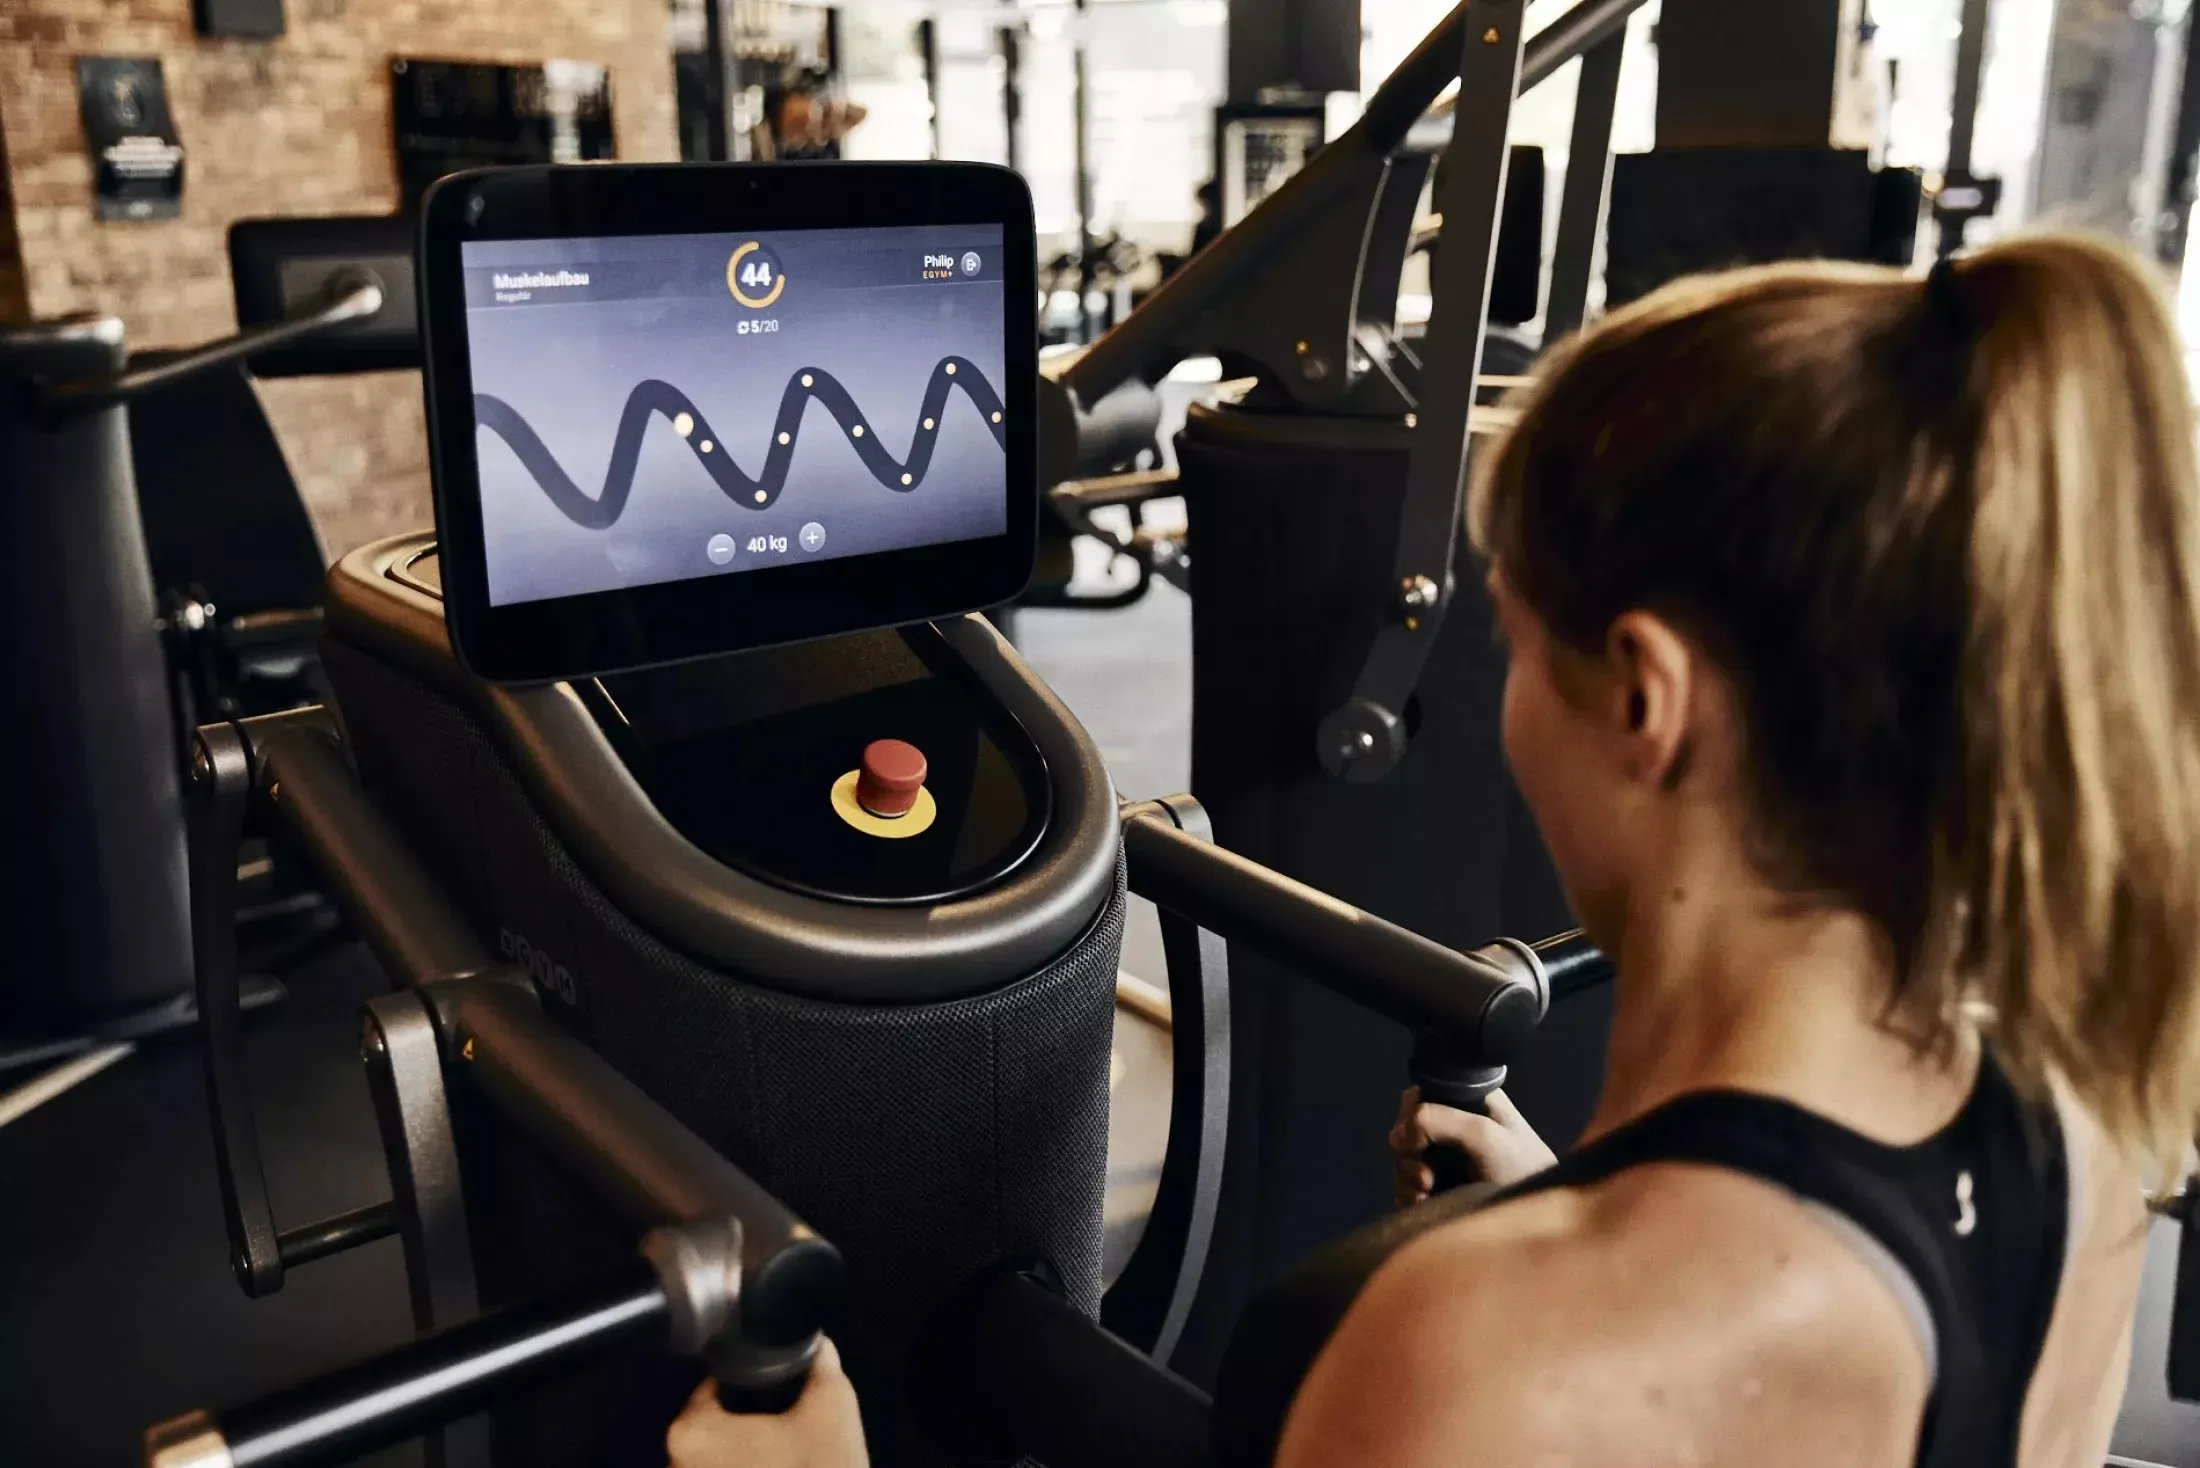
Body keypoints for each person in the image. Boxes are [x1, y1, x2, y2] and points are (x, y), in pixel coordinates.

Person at [666, 231, 2200, 1468]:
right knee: (996, 1343)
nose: (1509, 702)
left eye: (1515, 642)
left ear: (1646, 701)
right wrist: (1593, 1201)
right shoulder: (2085, 1127)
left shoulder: (1481, 1361)